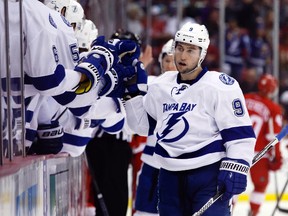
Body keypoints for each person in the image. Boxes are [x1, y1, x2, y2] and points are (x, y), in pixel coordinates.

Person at [125, 22, 256, 216]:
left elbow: (239, 133)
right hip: (169, 177)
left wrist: (236, 165)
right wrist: (131, 96)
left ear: (202, 54)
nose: (182, 56)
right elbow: (143, 127)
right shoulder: (161, 86)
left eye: (190, 50)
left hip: (208, 175)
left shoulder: (219, 85)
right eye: (179, 49)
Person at [133, 39, 177, 216]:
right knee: (144, 212)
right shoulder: (151, 83)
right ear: (161, 63)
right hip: (151, 163)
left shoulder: (194, 90)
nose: (171, 65)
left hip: (176, 166)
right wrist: (140, 66)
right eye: (167, 60)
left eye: (174, 61)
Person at [244, 74, 283, 216]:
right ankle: (253, 213)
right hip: (259, 154)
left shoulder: (245, 98)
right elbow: (273, 137)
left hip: (237, 149)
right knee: (260, 185)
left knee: (233, 185)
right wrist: (277, 157)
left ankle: (227, 211)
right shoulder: (273, 108)